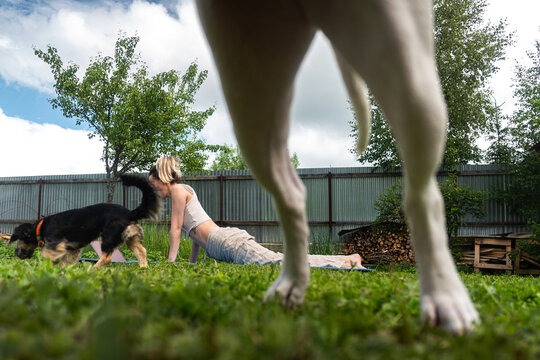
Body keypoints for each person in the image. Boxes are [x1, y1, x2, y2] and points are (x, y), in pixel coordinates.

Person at [148, 157, 365, 269]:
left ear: (163, 177)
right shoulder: (183, 191)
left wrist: (171, 263)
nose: (154, 189)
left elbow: (175, 229)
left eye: (154, 184)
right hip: (224, 243)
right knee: (278, 260)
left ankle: (347, 261)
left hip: (227, 242)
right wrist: (191, 264)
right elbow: (194, 235)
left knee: (277, 262)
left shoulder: (178, 190)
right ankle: (345, 261)